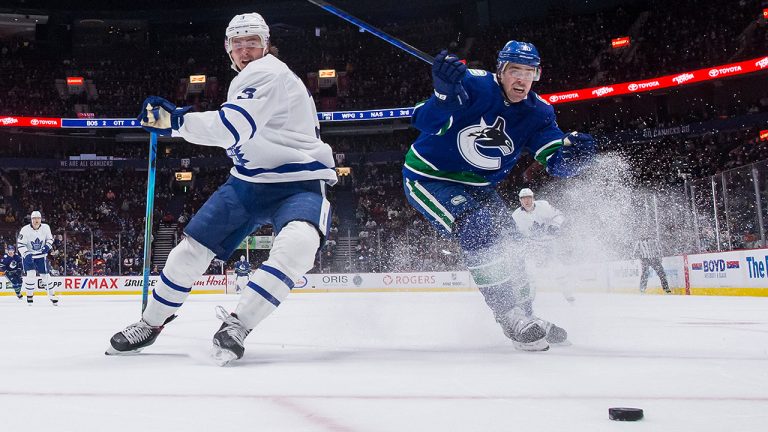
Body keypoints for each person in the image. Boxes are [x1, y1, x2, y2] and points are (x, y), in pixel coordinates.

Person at [107, 12, 336, 365]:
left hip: (298, 183)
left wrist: (175, 122)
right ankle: (150, 323)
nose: (245, 50)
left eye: (252, 43)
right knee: (188, 253)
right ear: (228, 49)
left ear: (266, 44)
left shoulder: (267, 72)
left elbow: (232, 127)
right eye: (237, 44)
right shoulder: (247, 78)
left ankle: (238, 325)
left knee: (299, 245)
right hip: (247, 182)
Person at [402, 41, 596, 351]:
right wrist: (442, 95)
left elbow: (556, 163)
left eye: (529, 72)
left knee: (512, 245)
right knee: (477, 229)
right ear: (500, 71)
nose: (521, 79)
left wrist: (575, 158)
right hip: (431, 178)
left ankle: (528, 316)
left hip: (480, 187)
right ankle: (509, 316)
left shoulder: (539, 112)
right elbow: (423, 121)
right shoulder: (472, 84)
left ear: (538, 75)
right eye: (515, 71)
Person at [511, 188, 574, 303]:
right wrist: (524, 240)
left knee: (557, 268)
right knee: (530, 271)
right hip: (532, 245)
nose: (527, 201)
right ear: (520, 200)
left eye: (529, 198)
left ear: (533, 198)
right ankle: (530, 298)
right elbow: (516, 235)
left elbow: (559, 215)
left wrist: (555, 226)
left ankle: (569, 296)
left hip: (549, 242)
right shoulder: (516, 216)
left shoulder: (544, 206)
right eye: (524, 198)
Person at [17, 211, 58, 305]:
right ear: (31, 219)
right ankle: (29, 296)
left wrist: (47, 246)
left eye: (38, 218)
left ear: (41, 219)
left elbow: (50, 239)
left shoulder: (46, 227)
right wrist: (26, 254)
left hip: (41, 257)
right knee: (30, 275)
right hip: (29, 256)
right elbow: (20, 244)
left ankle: (52, 295)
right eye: (34, 218)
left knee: (46, 276)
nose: (36, 220)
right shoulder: (25, 229)